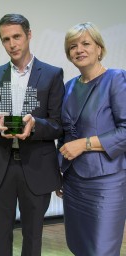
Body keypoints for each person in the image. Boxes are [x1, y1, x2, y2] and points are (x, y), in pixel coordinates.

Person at [0, 14, 65, 256]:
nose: (12, 44)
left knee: (33, 238)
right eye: (6, 39)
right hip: (1, 167)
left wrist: (35, 125)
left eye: (16, 36)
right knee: (0, 238)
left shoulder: (51, 74)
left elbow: (58, 125)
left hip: (37, 167)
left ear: (29, 35)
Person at [57, 22, 126, 256]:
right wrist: (60, 169)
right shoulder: (67, 87)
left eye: (86, 43)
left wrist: (84, 144)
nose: (79, 50)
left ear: (99, 49)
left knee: (101, 250)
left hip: (106, 182)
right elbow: (65, 134)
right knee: (79, 246)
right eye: (73, 46)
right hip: (73, 182)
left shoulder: (116, 79)